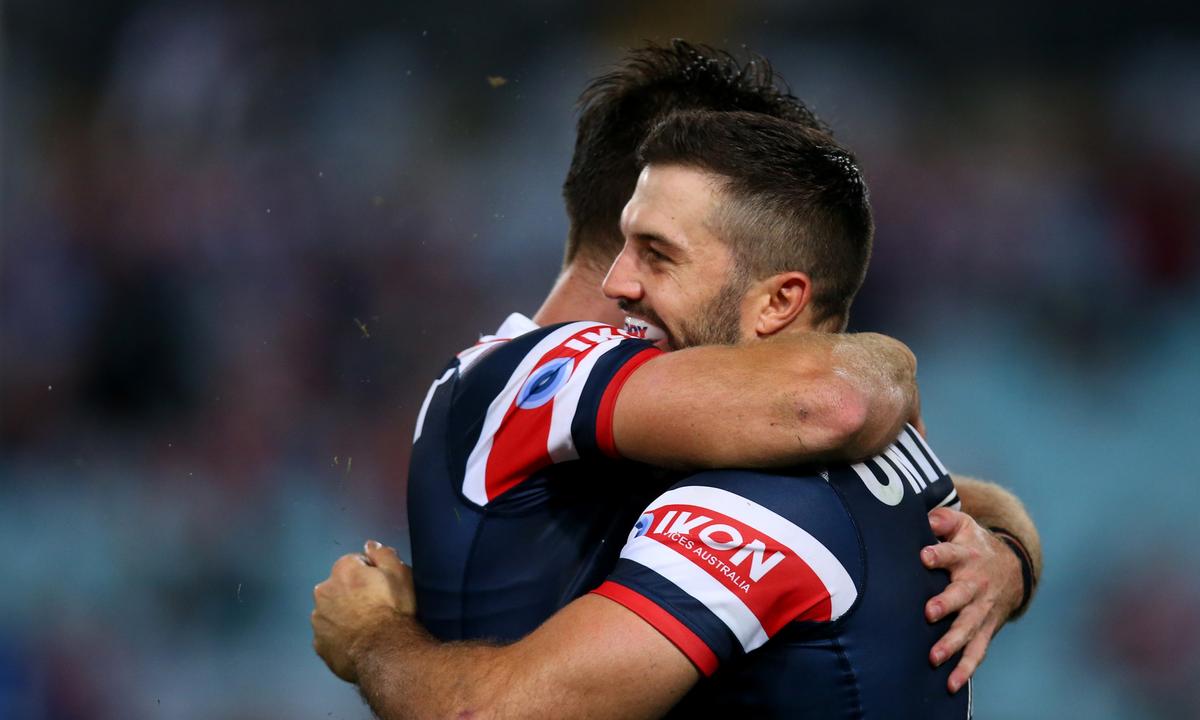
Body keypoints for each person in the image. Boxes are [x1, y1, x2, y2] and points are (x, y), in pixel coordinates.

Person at [313, 44, 1041, 716]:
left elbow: (921, 487)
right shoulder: (530, 372)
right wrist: (893, 368)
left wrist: (1003, 554)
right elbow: (837, 403)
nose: (625, 280)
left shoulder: (723, 432)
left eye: (658, 253)